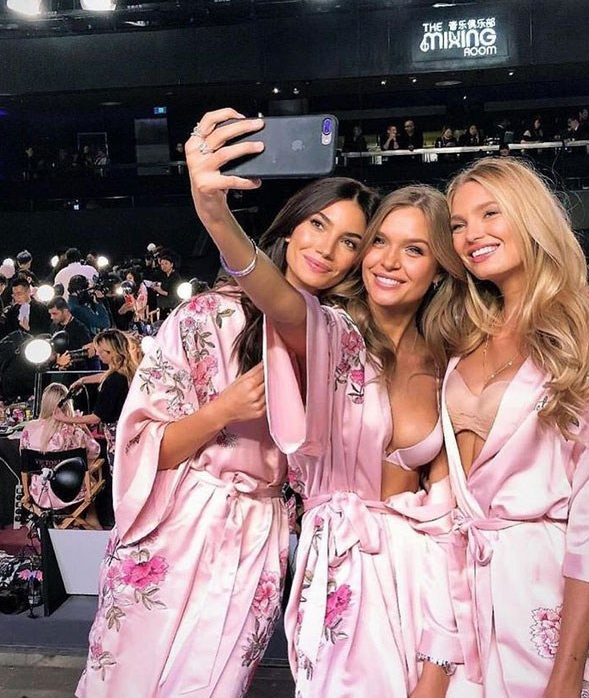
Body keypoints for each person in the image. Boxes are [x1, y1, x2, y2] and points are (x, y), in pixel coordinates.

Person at [183, 108, 468, 698]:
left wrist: (439, 663)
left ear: (441, 270)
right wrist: (215, 215)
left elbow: (447, 516)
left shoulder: (450, 362)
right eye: (379, 242)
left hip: (422, 580)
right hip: (340, 575)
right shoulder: (335, 336)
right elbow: (282, 302)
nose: (388, 261)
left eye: (414, 250)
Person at [75, 150, 379, 696]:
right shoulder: (203, 316)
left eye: (349, 242)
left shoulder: (339, 336)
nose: (326, 249)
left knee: (216, 684)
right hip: (175, 524)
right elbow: (145, 447)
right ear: (291, 226)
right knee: (124, 679)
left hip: (257, 533)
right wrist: (222, 410)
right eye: (318, 224)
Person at [426, 156, 589, 697]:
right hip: (465, 602)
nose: (472, 234)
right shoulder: (460, 334)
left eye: (490, 213)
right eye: (458, 224)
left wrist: (567, 675)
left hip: (554, 604)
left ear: (530, 216)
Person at [55, 329, 138, 473]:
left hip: (118, 436)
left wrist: (66, 419)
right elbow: (106, 376)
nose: (98, 354)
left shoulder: (114, 381)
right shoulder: (127, 372)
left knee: (120, 473)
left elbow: (96, 417)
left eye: (101, 351)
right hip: (129, 430)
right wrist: (84, 380)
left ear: (111, 353)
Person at [20, 382, 100, 525]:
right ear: (68, 405)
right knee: (91, 475)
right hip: (70, 493)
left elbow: (24, 458)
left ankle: (72, 521)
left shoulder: (29, 429)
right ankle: (90, 518)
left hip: (39, 494)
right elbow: (94, 453)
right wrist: (84, 428)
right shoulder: (74, 432)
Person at [149, 250, 183, 318]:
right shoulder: (164, 276)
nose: (164, 266)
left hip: (171, 307)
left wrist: (160, 290)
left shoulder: (176, 277)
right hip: (162, 306)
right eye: (162, 264)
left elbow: (173, 294)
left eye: (166, 263)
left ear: (171, 264)